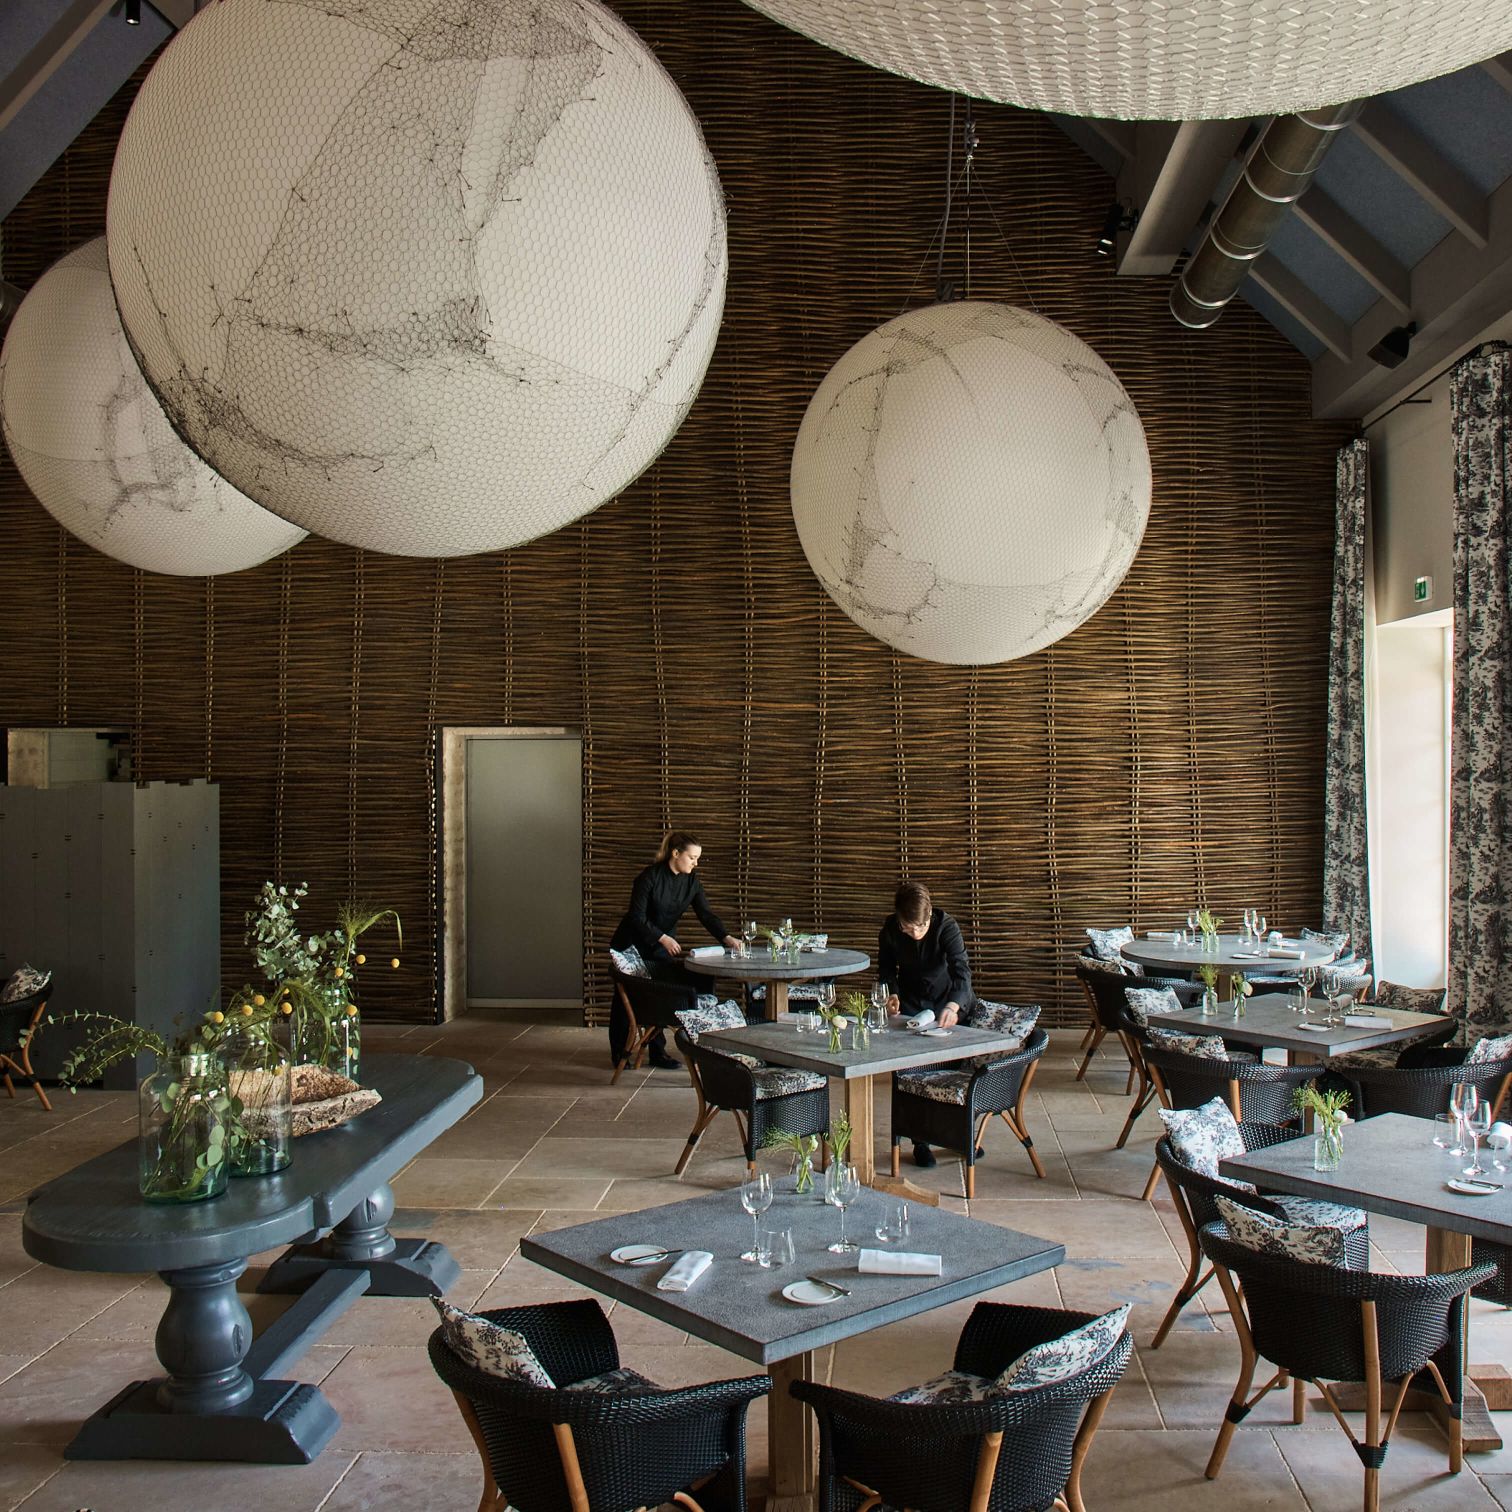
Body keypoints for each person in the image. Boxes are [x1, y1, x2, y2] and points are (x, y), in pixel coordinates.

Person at [609, 830, 741, 1070]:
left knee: (660, 995)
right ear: (675, 853)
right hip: (632, 944)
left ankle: (658, 1053)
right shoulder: (648, 877)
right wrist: (662, 938)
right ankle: (620, 1053)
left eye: (697, 858)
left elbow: (706, 914)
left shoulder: (691, 882)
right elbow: (636, 917)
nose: (696, 862)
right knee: (626, 999)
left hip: (660, 947)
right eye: (692, 857)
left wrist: (727, 937)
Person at [878, 880, 976, 1168]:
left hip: (947, 1001)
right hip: (911, 1004)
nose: (916, 933)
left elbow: (962, 971)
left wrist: (954, 1005)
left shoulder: (947, 927)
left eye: (920, 927)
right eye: (909, 928)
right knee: (911, 1071)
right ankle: (919, 1141)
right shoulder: (890, 929)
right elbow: (885, 968)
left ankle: (958, 1137)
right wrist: (891, 993)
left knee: (950, 1073)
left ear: (929, 914)